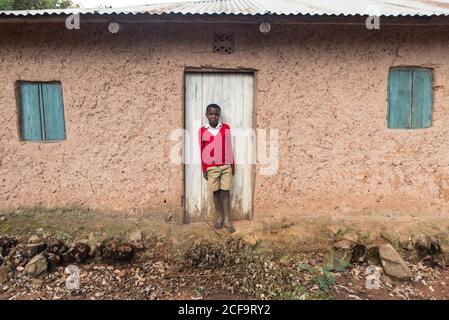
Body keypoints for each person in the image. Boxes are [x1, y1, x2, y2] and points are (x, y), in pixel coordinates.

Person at [198, 103, 236, 233]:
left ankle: (227, 220)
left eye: (216, 114)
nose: (214, 116)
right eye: (211, 114)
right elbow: (202, 150)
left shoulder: (225, 128)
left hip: (225, 165)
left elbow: (229, 147)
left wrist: (232, 165)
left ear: (219, 115)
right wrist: (204, 168)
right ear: (206, 115)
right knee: (216, 192)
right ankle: (219, 218)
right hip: (211, 167)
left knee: (225, 192)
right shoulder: (202, 130)